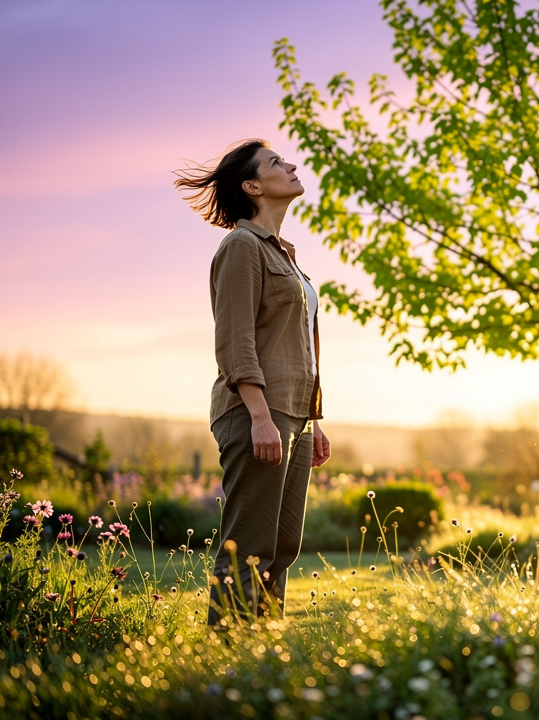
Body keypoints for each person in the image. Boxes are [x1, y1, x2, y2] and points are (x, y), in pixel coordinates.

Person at [174, 139, 331, 625]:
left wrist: (314, 419)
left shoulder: (284, 253)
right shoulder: (242, 247)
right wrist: (260, 417)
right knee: (250, 543)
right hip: (256, 412)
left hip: (294, 414)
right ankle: (230, 649)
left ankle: (262, 644)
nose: (291, 165)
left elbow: (298, 343)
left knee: (283, 543)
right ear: (253, 186)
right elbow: (236, 340)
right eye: (276, 163)